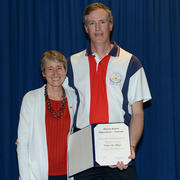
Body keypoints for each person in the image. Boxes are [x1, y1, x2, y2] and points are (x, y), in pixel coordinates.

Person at [68, 2, 152, 180]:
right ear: (85, 28)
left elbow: (137, 113)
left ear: (111, 25)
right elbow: (59, 103)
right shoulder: (72, 64)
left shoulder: (131, 62)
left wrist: (129, 148)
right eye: (92, 23)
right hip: (83, 151)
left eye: (102, 22)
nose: (97, 28)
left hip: (118, 151)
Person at [17, 50, 77, 180]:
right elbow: (22, 144)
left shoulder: (73, 97)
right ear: (43, 73)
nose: (55, 73)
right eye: (50, 69)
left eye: (59, 68)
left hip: (68, 173)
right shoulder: (30, 99)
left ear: (65, 71)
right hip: (38, 174)